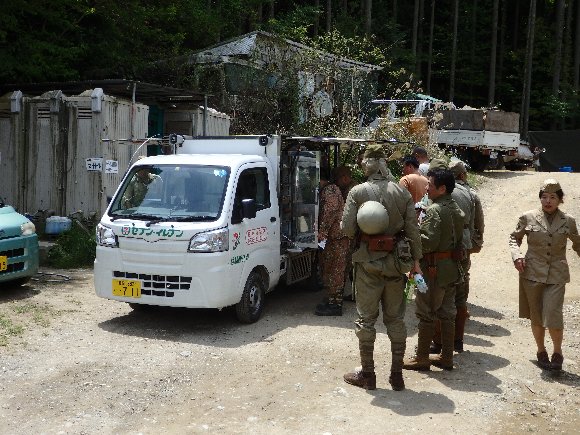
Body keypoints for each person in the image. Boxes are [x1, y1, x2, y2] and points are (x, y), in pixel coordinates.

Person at [341, 144, 422, 391]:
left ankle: (368, 375)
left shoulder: (357, 192)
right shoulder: (402, 192)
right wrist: (416, 262)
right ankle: (397, 375)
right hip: (396, 263)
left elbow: (347, 229)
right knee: (395, 319)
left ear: (367, 164)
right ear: (385, 164)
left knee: (366, 320)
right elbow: (413, 231)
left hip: (367, 262)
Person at [509, 179, 580, 371]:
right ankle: (541, 351)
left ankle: (558, 352)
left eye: (553, 197)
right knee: (537, 314)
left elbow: (578, 243)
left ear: (560, 199)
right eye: (544, 197)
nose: (548, 201)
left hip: (557, 274)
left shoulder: (568, 221)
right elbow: (514, 238)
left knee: (553, 313)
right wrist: (517, 256)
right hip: (532, 273)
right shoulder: (528, 217)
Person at [403, 168, 465, 372]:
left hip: (433, 270)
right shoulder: (455, 207)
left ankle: (421, 357)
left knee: (426, 313)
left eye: (430, 185)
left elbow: (427, 243)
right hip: (451, 269)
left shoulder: (435, 211)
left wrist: (412, 235)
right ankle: (447, 357)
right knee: (447, 313)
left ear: (442, 188)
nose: (426, 188)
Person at [430, 159, 483, 353]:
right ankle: (458, 341)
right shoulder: (470, 193)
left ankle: (438, 341)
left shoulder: (437, 192)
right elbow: (478, 223)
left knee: (438, 292)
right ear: (462, 175)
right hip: (463, 246)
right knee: (460, 292)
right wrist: (475, 244)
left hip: (440, 248)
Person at [315, 172, 350, 316]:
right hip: (334, 237)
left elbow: (331, 210)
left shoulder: (330, 189)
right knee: (330, 268)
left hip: (336, 238)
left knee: (336, 269)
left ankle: (335, 305)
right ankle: (332, 299)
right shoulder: (330, 189)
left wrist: (322, 231)